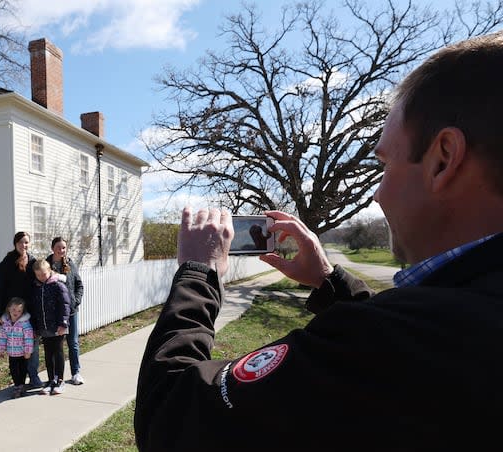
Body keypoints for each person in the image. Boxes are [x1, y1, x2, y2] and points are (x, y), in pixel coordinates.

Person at [135, 31, 503, 451]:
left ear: (443, 158)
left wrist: (198, 273)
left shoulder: (391, 342)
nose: (377, 194)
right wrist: (329, 280)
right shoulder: (462, 322)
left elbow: (171, 414)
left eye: (385, 164)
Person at [0, 231, 42, 388]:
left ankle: (33, 376)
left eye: (26, 242)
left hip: (30, 310)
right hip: (13, 311)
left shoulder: (33, 261)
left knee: (32, 343)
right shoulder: (7, 263)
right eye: (21, 242)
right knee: (16, 346)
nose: (24, 245)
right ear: (15, 244)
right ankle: (18, 380)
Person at [46, 236, 85, 385]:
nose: (61, 250)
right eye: (58, 247)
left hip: (71, 311)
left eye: (63, 248)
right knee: (56, 346)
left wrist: (76, 301)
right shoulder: (47, 264)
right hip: (55, 314)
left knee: (73, 342)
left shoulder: (69, 264)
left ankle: (76, 373)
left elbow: (79, 285)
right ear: (52, 248)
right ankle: (56, 376)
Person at [30, 258, 71, 395]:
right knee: (48, 354)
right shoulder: (36, 287)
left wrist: (63, 323)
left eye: (44, 274)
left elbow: (65, 306)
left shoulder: (58, 285)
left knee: (58, 352)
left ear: (50, 271)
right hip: (44, 327)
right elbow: (35, 309)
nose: (42, 277)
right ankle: (50, 380)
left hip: (58, 326)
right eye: (38, 275)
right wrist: (35, 326)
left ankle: (60, 380)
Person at [0, 297, 34, 399]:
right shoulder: (6, 324)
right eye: (13, 310)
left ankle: (21, 385)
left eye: (19, 310)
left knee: (22, 370)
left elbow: (29, 339)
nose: (16, 312)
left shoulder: (25, 324)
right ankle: (17, 385)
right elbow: (3, 337)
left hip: (22, 353)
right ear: (9, 309)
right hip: (12, 353)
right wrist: (1, 349)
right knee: (13, 370)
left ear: (22, 311)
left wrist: (28, 351)